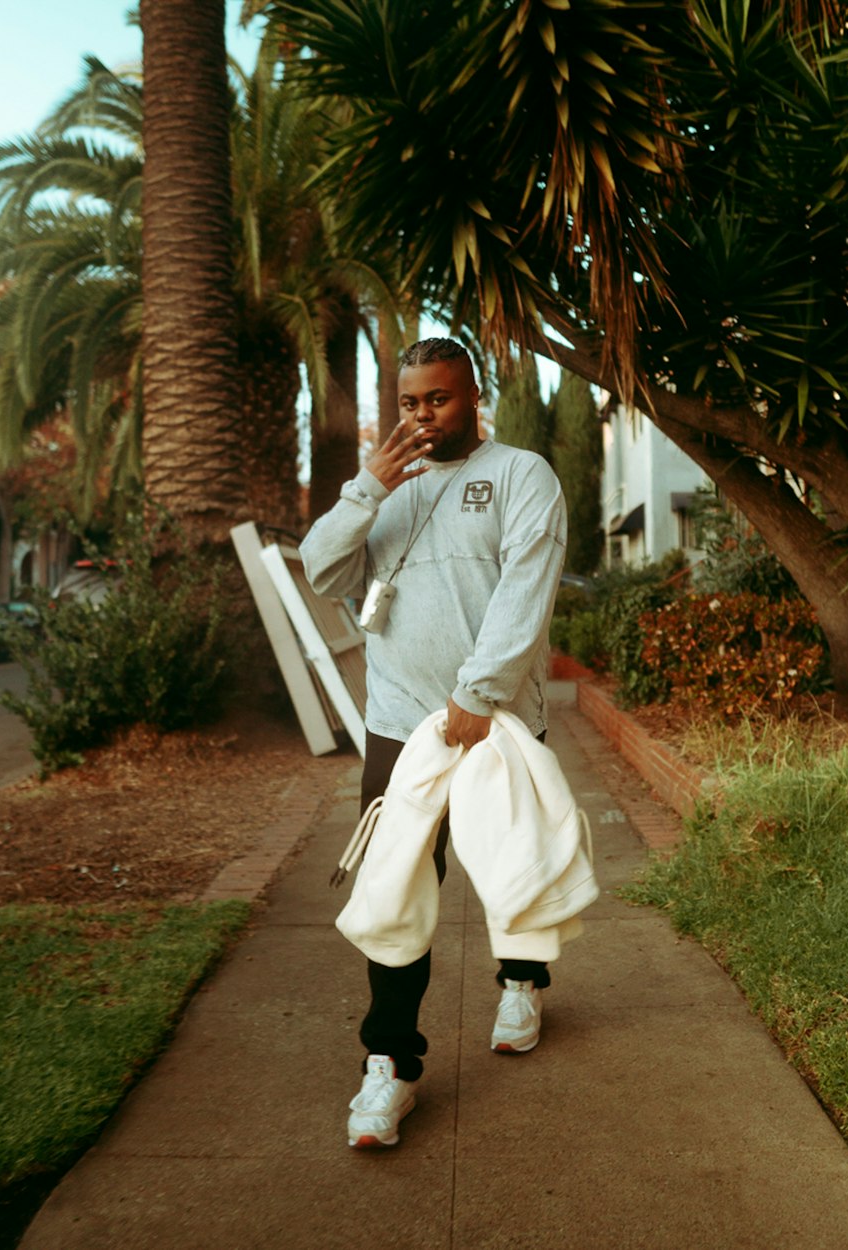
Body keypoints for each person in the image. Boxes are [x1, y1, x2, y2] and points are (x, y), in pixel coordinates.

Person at [300, 337, 567, 1148]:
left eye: (438, 399)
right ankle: (390, 1066)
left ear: (472, 395)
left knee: (510, 864)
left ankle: (521, 981)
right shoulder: (386, 490)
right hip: (398, 726)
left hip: (495, 719)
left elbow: (525, 590)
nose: (422, 416)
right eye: (410, 403)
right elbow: (319, 571)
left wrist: (476, 695)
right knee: (393, 885)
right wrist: (364, 491)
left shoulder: (522, 475)